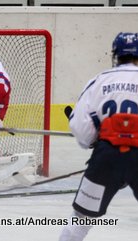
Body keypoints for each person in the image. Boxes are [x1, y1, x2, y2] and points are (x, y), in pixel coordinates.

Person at [59, 32, 138, 240]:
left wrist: (95, 142)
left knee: (81, 221)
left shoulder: (100, 81)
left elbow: (80, 127)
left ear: (116, 55)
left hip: (107, 156)